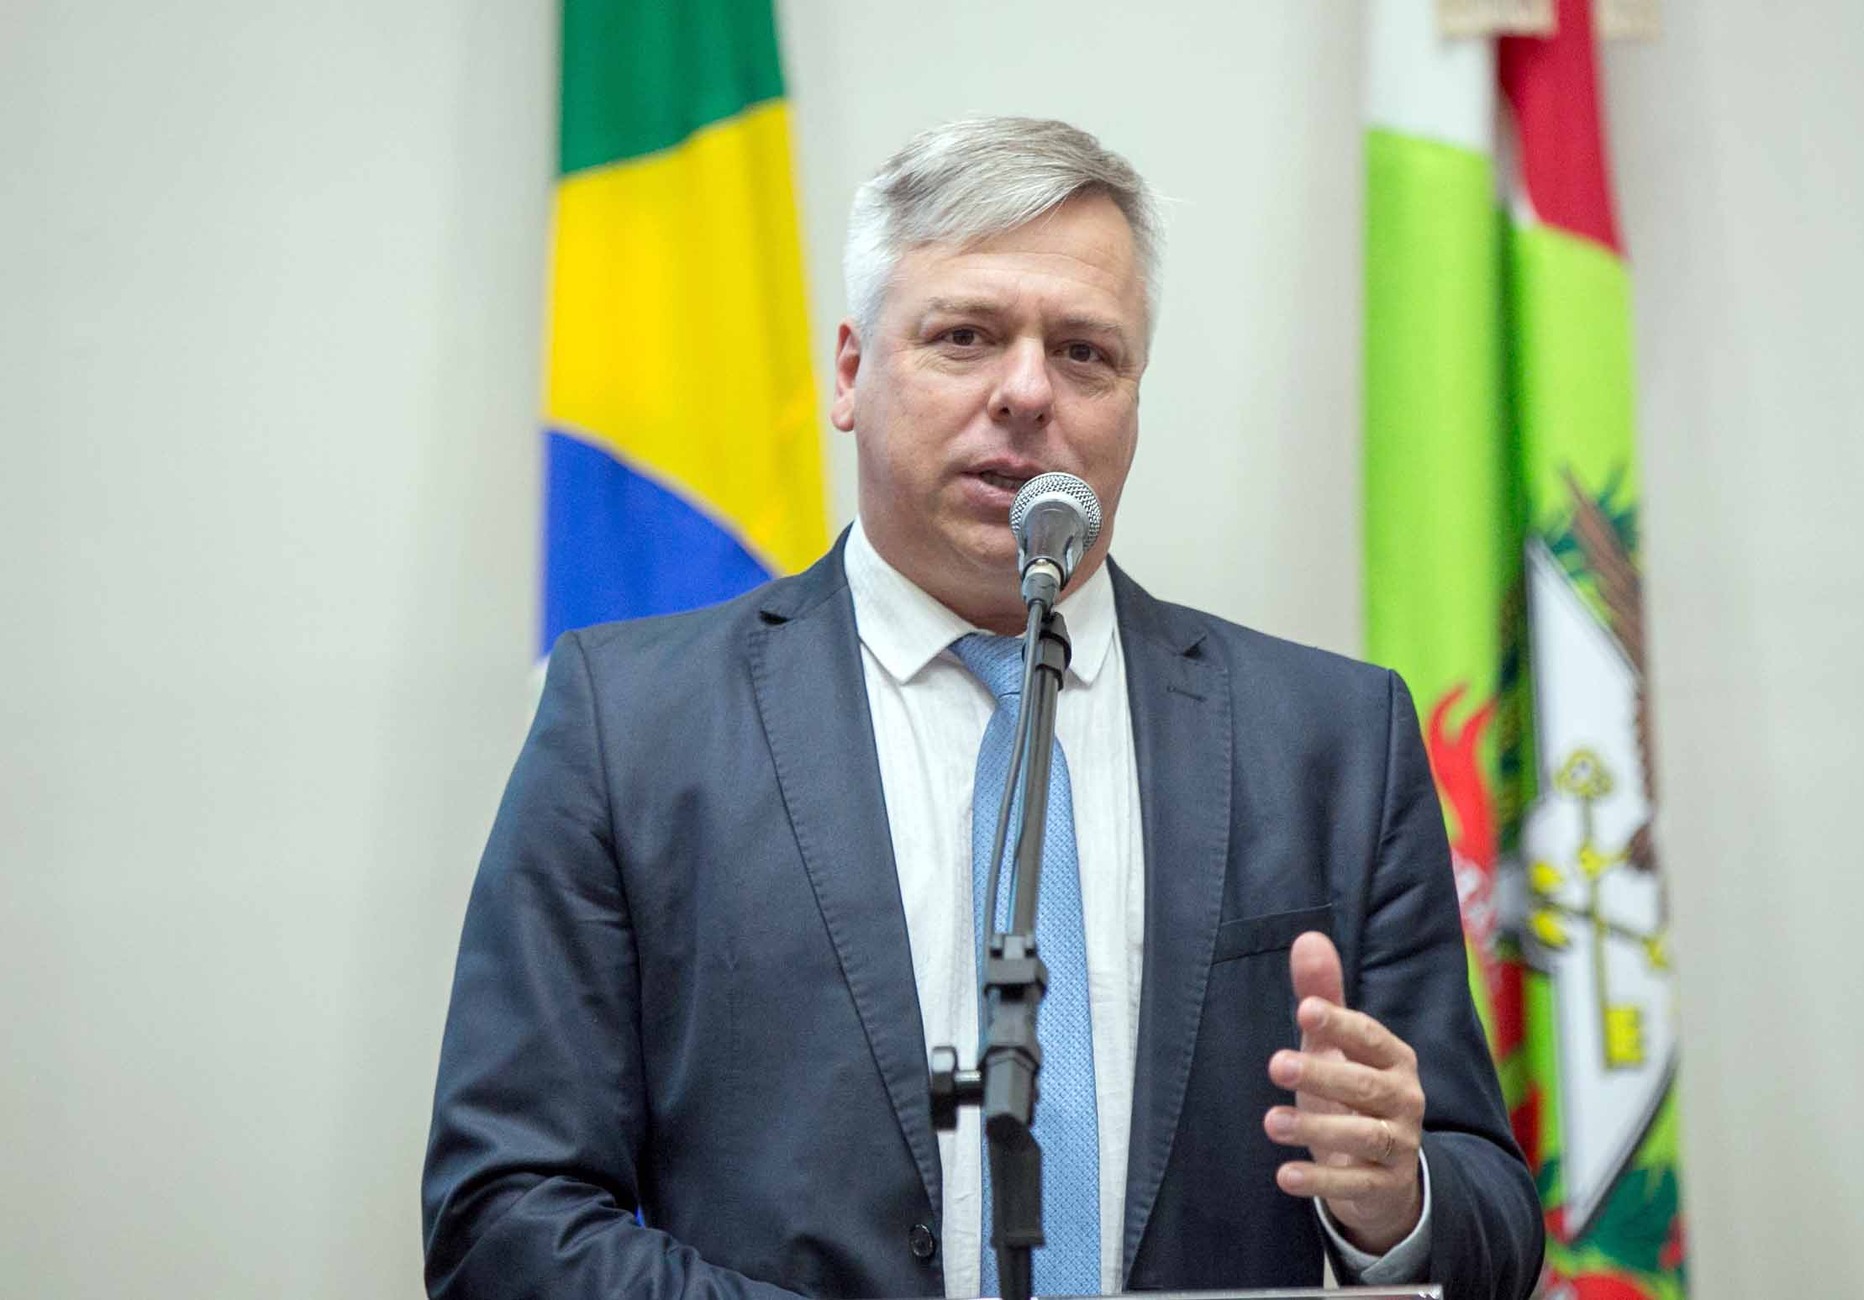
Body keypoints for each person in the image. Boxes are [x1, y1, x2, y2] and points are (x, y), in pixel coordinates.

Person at [422, 117, 1543, 1300]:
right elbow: (505, 1215)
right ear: (849, 373)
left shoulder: (1330, 741)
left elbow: (1491, 1213)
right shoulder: (634, 726)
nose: (1025, 392)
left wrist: (1393, 1202)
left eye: (1084, 353)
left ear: (1134, 401)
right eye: (963, 336)